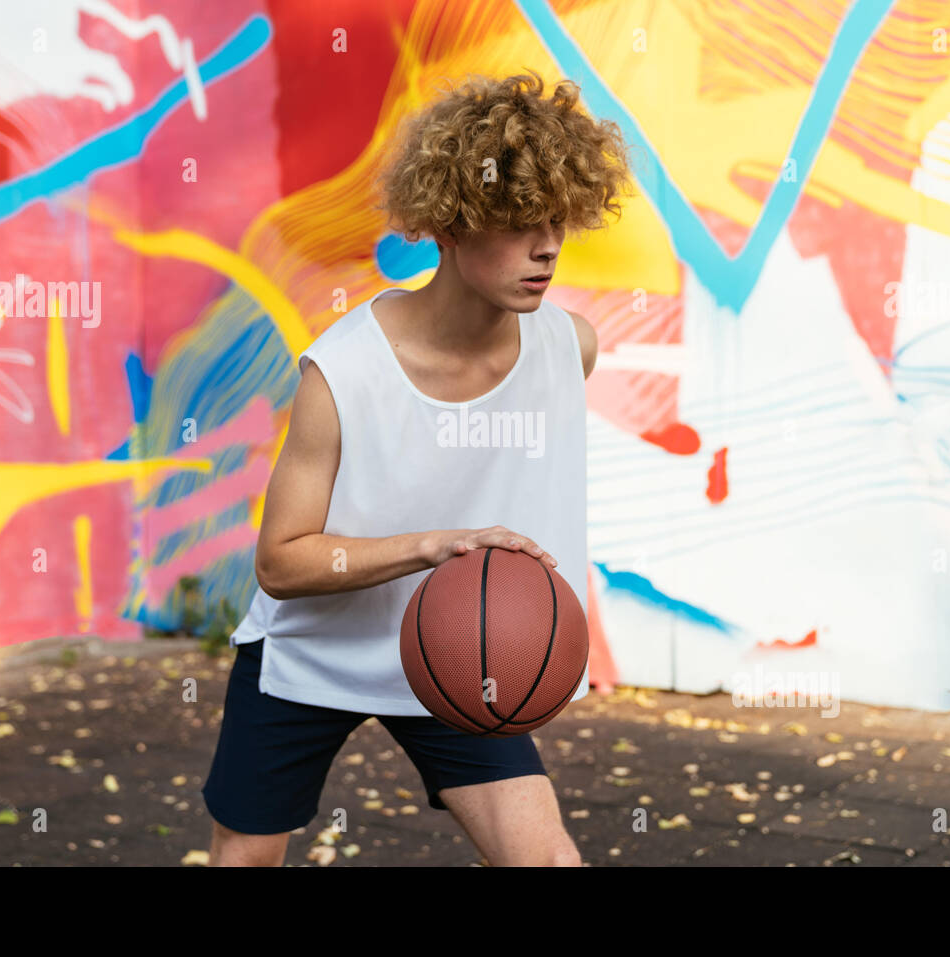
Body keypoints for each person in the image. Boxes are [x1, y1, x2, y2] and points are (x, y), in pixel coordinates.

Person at [203, 68, 635, 866]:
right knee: (245, 859)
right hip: (313, 651)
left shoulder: (568, 347)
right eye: (518, 223)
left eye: (557, 222)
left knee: (549, 860)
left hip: (459, 651)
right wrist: (429, 545)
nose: (546, 247)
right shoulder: (343, 372)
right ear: (451, 222)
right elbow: (280, 561)